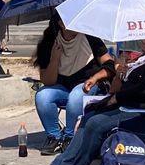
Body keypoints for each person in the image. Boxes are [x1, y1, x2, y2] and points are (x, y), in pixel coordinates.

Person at [32, 36, 145, 165]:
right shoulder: (142, 60)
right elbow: (117, 89)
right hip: (132, 109)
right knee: (88, 118)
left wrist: (118, 97)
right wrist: (120, 74)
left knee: (96, 123)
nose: (142, 38)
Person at [31, 19, 112, 155]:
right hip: (62, 88)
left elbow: (109, 64)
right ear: (61, 24)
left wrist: (95, 78)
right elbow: (48, 81)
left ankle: (70, 137)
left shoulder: (90, 37)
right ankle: (54, 137)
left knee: (75, 96)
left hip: (88, 85)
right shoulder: (49, 42)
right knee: (42, 95)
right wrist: (55, 59)